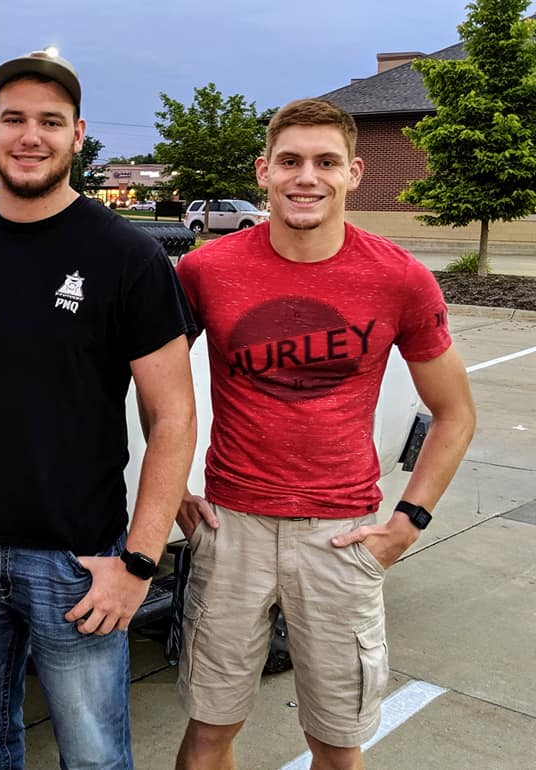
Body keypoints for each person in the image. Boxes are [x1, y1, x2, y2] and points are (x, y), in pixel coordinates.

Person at [172, 98, 476, 770]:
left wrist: (408, 521)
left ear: (354, 173)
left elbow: (455, 412)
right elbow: (154, 388)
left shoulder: (399, 278)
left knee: (338, 742)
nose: (306, 176)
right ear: (264, 171)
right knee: (208, 731)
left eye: (325, 162)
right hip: (232, 528)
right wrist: (174, 490)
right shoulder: (205, 271)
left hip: (341, 535)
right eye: (290, 161)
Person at [0, 49, 197, 769]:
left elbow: (172, 418)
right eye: (14, 119)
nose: (29, 136)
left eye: (49, 121)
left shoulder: (126, 257)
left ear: (77, 135)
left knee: (95, 756)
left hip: (79, 562)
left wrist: (137, 561)